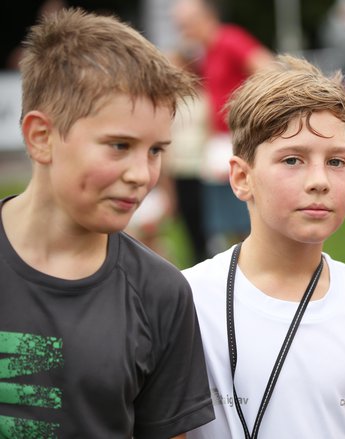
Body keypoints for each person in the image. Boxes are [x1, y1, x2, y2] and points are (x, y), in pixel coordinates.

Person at [0, 8, 214, 437]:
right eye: (120, 145)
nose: (142, 175)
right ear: (41, 137)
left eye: (156, 151)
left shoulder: (161, 294)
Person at [183, 54, 345, 438]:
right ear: (241, 177)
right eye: (292, 159)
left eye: (337, 161)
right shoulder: (188, 300)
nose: (319, 180)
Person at [172, 0, 273, 254]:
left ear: (203, 18)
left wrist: (248, 117)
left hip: (237, 139)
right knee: (229, 218)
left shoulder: (229, 39)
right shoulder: (208, 51)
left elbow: (267, 69)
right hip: (220, 145)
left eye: (185, 25)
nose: (182, 31)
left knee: (243, 216)